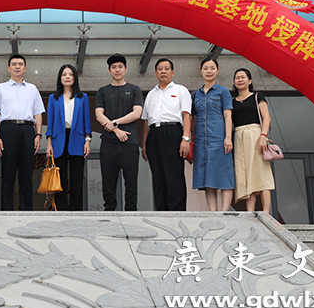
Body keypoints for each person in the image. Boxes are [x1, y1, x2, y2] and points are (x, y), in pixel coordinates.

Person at [0, 54, 45, 211]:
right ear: (9, 68)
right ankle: (6, 211)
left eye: (20, 64)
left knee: (26, 174)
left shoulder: (32, 89)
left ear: (25, 68)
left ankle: (27, 211)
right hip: (8, 130)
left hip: (28, 130)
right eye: (14, 64)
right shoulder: (0, 88)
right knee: (7, 173)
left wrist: (38, 135)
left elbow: (38, 113)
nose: (17, 66)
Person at [141, 58, 192, 211]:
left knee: (174, 175)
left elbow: (186, 116)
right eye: (160, 69)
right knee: (158, 176)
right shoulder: (151, 94)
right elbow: (146, 121)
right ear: (156, 73)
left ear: (172, 72)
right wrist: (144, 144)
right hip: (154, 135)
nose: (163, 71)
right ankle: (161, 213)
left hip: (173, 133)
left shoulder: (181, 90)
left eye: (166, 68)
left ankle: (177, 213)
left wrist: (185, 138)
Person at [95, 54, 143, 211]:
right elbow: (99, 115)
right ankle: (109, 211)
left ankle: (131, 212)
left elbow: (137, 113)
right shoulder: (103, 91)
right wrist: (116, 130)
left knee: (131, 181)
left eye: (120, 66)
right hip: (109, 143)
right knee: (108, 181)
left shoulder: (134, 89)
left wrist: (114, 123)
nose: (117, 70)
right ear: (109, 70)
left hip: (129, 142)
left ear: (126, 69)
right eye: (114, 67)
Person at [46, 64, 92, 211]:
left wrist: (87, 140)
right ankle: (60, 210)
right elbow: (50, 123)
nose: (67, 77)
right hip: (58, 140)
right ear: (60, 78)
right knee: (60, 178)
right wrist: (49, 143)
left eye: (70, 74)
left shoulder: (83, 97)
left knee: (77, 178)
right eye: (64, 74)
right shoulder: (53, 98)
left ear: (75, 78)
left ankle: (76, 211)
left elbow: (86, 121)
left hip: (77, 140)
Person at [192, 57, 234, 211]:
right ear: (201, 71)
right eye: (205, 68)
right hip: (201, 141)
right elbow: (192, 118)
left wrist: (228, 137)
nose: (208, 71)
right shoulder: (195, 94)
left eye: (212, 68)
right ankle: (213, 213)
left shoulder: (223, 91)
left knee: (224, 175)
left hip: (219, 139)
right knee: (207, 178)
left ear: (217, 71)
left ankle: (224, 213)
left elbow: (228, 115)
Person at [232, 68, 275, 213]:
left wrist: (263, 136)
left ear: (250, 80)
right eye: (237, 77)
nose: (240, 79)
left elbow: (266, 117)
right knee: (246, 174)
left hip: (255, 135)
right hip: (239, 137)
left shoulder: (257, 97)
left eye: (243, 77)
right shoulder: (232, 102)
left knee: (261, 173)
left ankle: (266, 212)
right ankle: (250, 212)